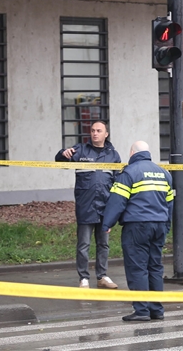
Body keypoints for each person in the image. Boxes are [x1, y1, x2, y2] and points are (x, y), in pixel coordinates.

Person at [102, 141, 174, 322]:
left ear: (132, 152)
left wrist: (107, 223)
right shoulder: (163, 173)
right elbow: (170, 202)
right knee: (155, 267)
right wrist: (167, 223)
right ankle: (157, 309)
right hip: (159, 225)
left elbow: (118, 200)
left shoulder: (130, 172)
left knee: (138, 268)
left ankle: (141, 310)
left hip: (137, 225)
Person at [55, 120, 121, 289]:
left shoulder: (113, 155)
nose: (95, 133)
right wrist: (64, 153)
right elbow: (60, 162)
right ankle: (83, 277)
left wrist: (115, 211)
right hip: (85, 206)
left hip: (105, 208)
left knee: (104, 244)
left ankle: (102, 276)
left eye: (99, 130)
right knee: (83, 244)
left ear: (106, 134)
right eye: (92, 130)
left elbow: (118, 183)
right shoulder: (80, 150)